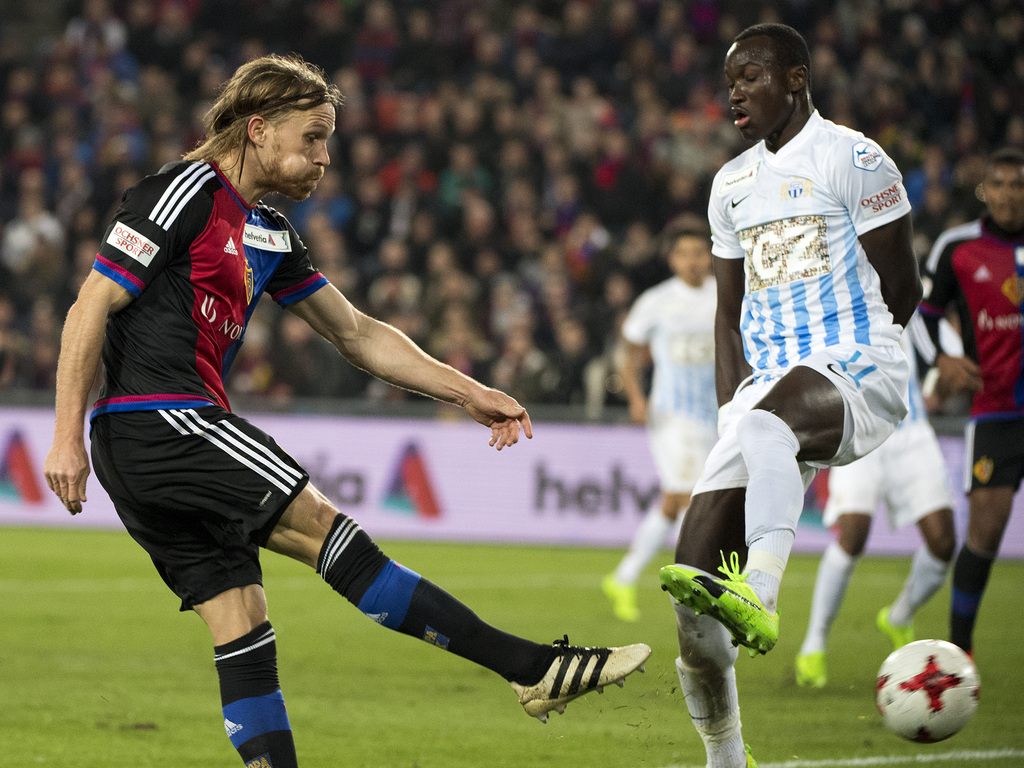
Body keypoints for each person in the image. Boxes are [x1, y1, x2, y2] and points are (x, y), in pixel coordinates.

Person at [42, 54, 650, 768]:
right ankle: (530, 668)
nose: (325, 158)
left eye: (328, 142)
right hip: (164, 418)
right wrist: (63, 438)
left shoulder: (269, 232)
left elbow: (357, 334)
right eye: (313, 138)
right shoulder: (183, 193)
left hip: (149, 445)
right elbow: (89, 306)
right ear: (259, 129)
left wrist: (470, 392)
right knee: (331, 532)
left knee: (241, 618)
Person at [656, 24, 921, 768]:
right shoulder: (730, 185)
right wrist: (724, 416)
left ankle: (764, 592)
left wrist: (868, 348)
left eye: (751, 75)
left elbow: (904, 285)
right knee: (690, 593)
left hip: (859, 364)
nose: (734, 90)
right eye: (729, 79)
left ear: (795, 78)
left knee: (772, 425)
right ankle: (727, 758)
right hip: (764, 392)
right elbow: (725, 313)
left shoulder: (854, 158)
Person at [794, 326, 956, 688]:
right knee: (853, 533)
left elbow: (950, 354)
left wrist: (936, 393)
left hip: (912, 433)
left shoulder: (912, 296)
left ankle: (899, 617)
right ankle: (814, 644)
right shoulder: (839, 300)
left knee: (944, 543)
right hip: (860, 431)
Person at [916, 147, 1024, 659]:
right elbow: (923, 313)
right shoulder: (957, 247)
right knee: (985, 530)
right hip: (996, 410)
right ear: (985, 190)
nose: (1008, 194)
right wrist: (942, 358)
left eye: (1017, 185)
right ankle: (961, 651)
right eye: (999, 184)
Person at [602, 222, 718, 622]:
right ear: (672, 259)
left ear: (711, 256)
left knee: (674, 500)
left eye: (700, 253)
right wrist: (635, 397)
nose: (693, 262)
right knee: (691, 497)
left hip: (713, 415)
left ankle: (624, 575)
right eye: (684, 254)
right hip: (671, 413)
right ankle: (696, 584)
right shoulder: (657, 301)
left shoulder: (726, 296)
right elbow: (630, 351)